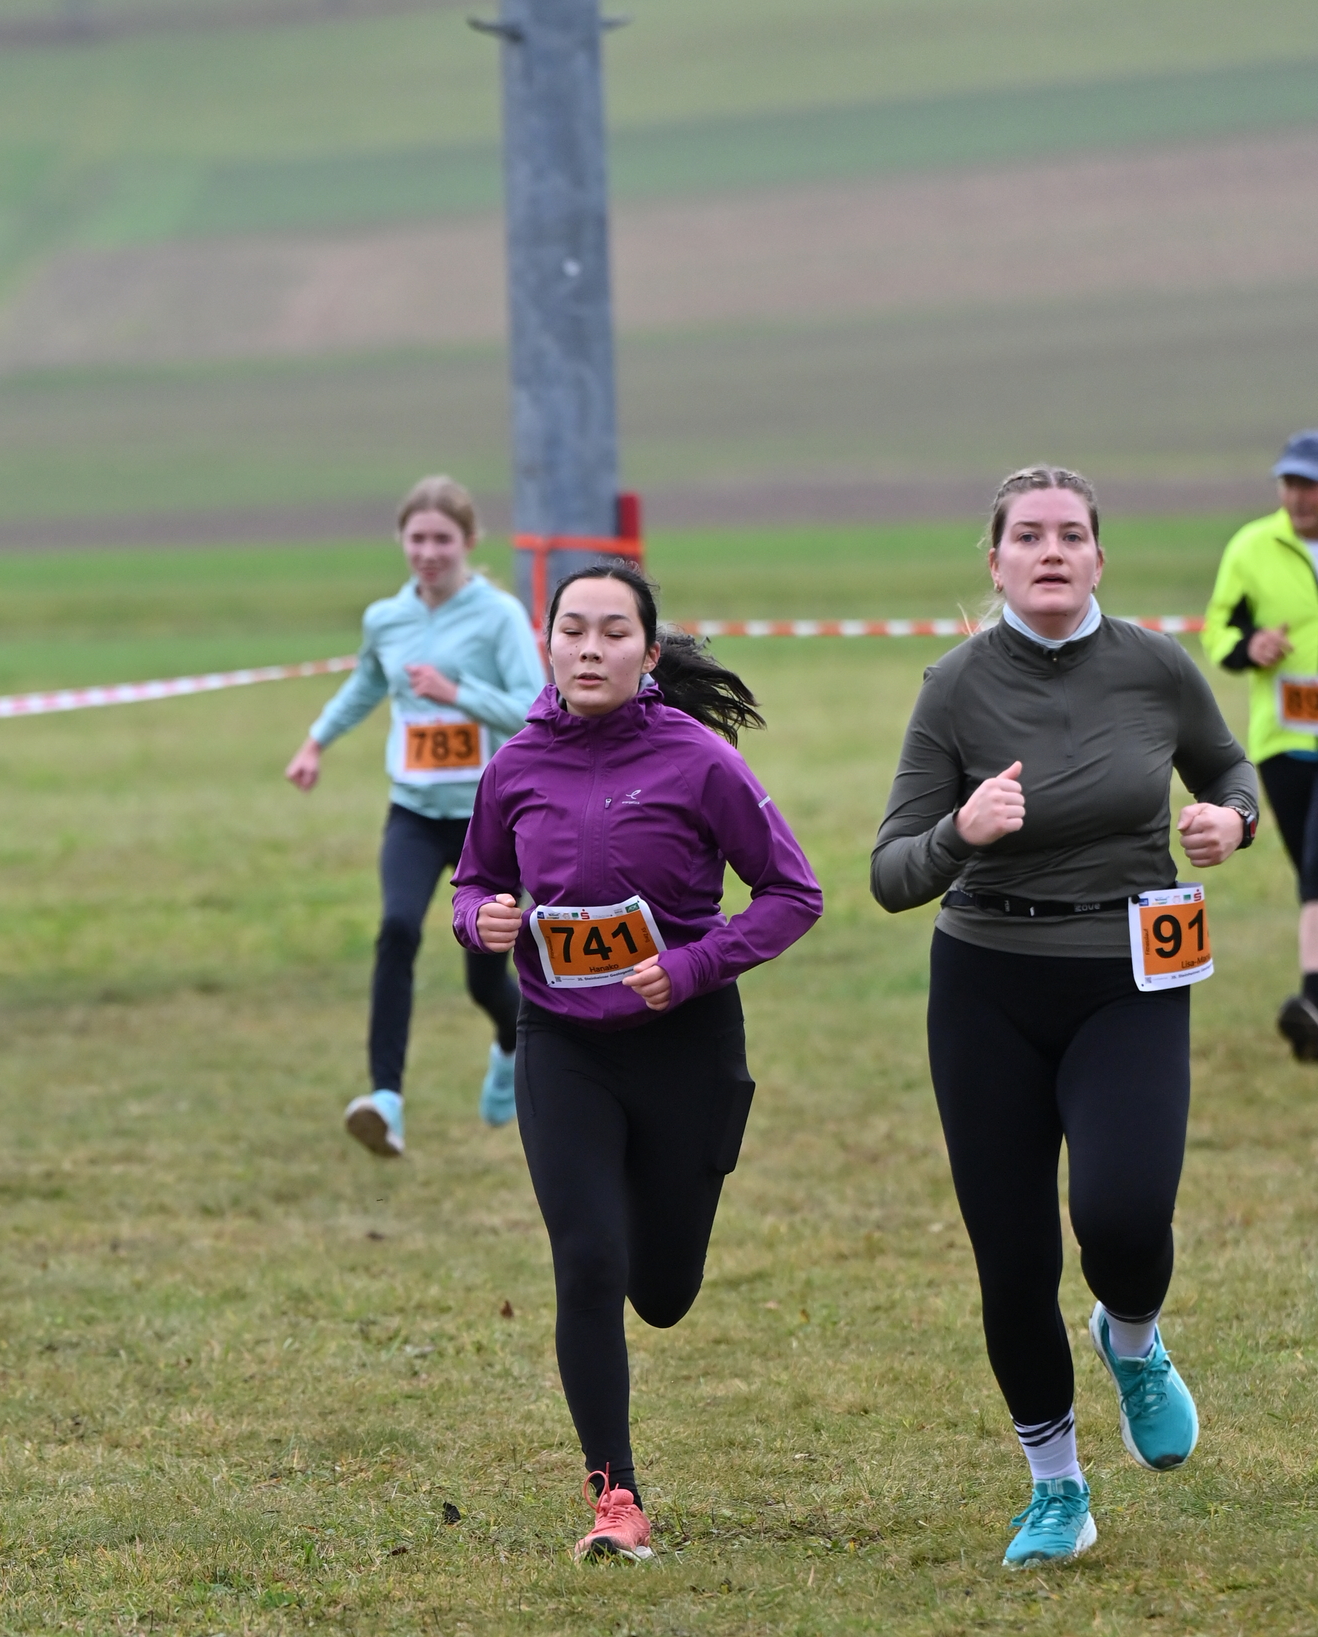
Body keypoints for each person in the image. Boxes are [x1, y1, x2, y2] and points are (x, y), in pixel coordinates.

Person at [872, 466, 1258, 1573]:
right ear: (994, 562)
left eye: (1071, 535)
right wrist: (960, 831)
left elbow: (1231, 769)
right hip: (987, 983)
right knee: (1012, 1257)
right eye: (1029, 536)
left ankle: (1130, 1338)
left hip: (1131, 973)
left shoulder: (1155, 665)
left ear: (1098, 558)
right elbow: (891, 873)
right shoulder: (953, 687)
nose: (1051, 551)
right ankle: (1056, 1489)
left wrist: (1229, 821)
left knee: (1123, 1217)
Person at [452, 564, 821, 1562]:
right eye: (571, 629)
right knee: (586, 1261)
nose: (588, 648)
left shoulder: (700, 761)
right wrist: (479, 919)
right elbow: (475, 879)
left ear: (648, 654)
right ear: (547, 645)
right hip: (560, 1041)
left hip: (684, 1043)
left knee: (660, 1291)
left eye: (612, 632)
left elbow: (793, 893)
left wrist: (692, 966)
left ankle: (655, 1256)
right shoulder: (514, 764)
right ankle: (614, 1497)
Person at [285, 476, 544, 1155]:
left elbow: (533, 708)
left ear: (469, 541)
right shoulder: (387, 619)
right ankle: (386, 1102)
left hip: (489, 820)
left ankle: (508, 1044)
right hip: (414, 810)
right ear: (401, 540)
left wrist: (458, 694)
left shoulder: (498, 616)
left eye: (442, 539)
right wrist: (315, 742)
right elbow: (366, 685)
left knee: (485, 973)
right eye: (417, 538)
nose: (428, 552)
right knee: (396, 929)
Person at [1200, 429, 1318, 1062]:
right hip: (1284, 741)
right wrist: (1252, 647)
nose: (1299, 496)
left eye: (1310, 484)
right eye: (1290, 483)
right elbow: (1218, 630)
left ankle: (1312, 999)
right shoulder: (1251, 547)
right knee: (1309, 867)